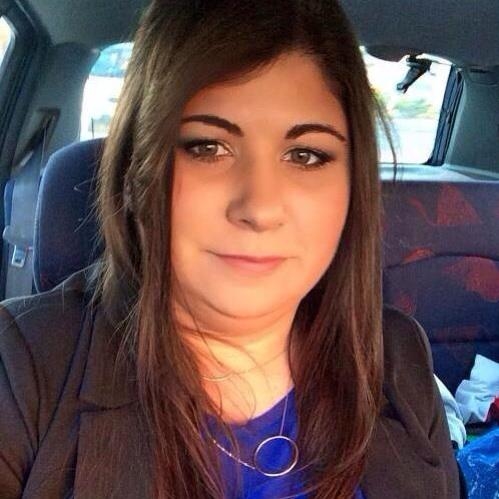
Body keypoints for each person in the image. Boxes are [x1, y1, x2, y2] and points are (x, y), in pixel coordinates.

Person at [0, 1, 463, 498]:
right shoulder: (19, 367)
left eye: (306, 155)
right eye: (208, 147)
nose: (259, 208)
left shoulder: (397, 355)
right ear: (137, 175)